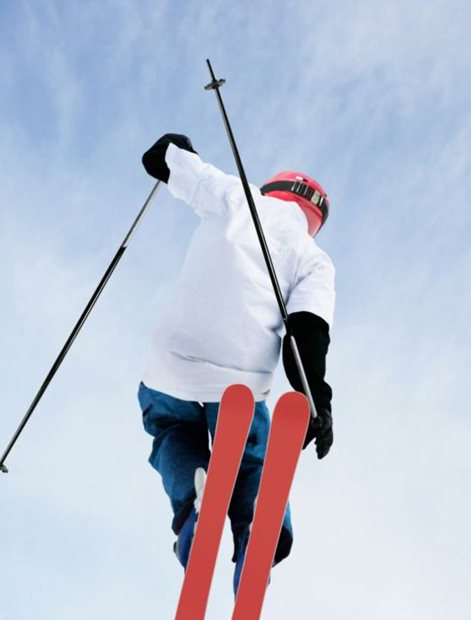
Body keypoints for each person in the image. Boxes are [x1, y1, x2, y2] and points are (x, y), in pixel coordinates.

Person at [137, 132, 335, 589]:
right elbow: (307, 335)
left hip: (168, 367)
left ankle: (193, 508)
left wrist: (175, 149)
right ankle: (254, 535)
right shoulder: (314, 259)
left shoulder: (234, 194)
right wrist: (315, 400)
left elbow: (161, 161)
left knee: (173, 431)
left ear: (271, 189)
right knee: (253, 458)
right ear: (314, 221)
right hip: (238, 383)